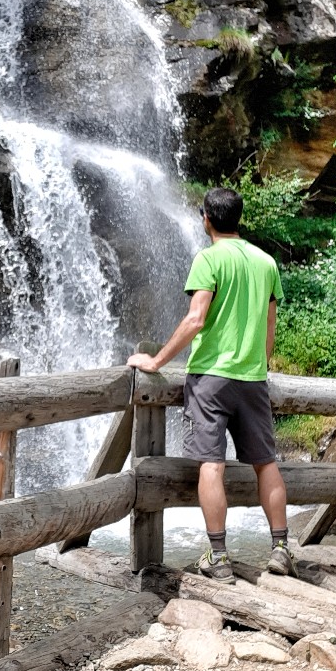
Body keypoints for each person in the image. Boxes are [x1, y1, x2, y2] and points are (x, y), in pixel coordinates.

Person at [127, 186, 296, 585]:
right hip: (253, 379)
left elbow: (195, 319)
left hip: (210, 379)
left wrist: (155, 361)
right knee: (265, 463)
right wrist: (257, 363)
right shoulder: (266, 262)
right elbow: (269, 332)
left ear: (206, 218)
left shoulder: (207, 259)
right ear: (239, 217)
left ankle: (218, 557)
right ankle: (282, 549)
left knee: (211, 464)